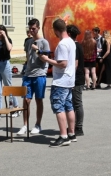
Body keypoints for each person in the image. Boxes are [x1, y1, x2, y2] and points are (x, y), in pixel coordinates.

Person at [39, 19, 76, 147]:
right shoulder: (71, 41)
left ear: (56, 30)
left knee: (58, 107)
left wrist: (47, 59)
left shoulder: (62, 44)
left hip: (61, 80)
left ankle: (63, 136)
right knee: (68, 106)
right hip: (69, 79)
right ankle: (71, 133)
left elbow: (62, 64)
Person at [17, 18, 50, 136]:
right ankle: (25, 125)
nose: (31, 31)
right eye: (30, 29)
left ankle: (38, 124)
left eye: (33, 29)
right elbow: (27, 57)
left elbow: (45, 59)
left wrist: (38, 50)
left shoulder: (44, 42)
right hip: (28, 74)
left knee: (38, 100)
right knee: (26, 100)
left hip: (39, 74)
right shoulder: (28, 42)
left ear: (38, 28)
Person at [0, 25, 19, 121]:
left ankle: (15, 107)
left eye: (0, 32)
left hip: (5, 64)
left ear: (4, 32)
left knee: (8, 87)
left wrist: (5, 36)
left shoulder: (8, 40)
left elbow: (9, 48)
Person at [66, 24, 85, 136]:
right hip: (76, 78)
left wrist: (71, 79)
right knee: (73, 103)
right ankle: (73, 126)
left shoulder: (74, 46)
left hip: (76, 78)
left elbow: (75, 64)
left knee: (77, 103)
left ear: (68, 34)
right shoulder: (76, 45)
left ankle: (79, 127)